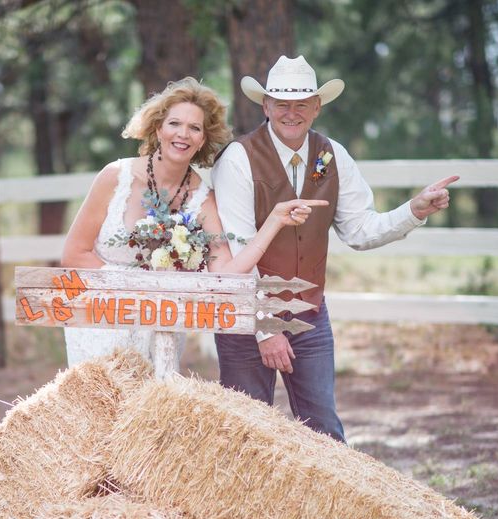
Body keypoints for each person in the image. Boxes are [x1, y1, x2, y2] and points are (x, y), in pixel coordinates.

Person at [212, 56, 458, 442]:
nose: (291, 113)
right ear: (266, 106)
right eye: (282, 103)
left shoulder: (331, 155)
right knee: (243, 432)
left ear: (316, 107)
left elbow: (360, 230)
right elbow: (239, 248)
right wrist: (267, 328)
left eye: (301, 103)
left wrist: (413, 210)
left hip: (310, 312)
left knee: (324, 432)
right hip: (246, 317)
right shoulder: (238, 158)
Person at [61, 77, 327, 367]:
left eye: (194, 128)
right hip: (103, 322)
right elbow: (74, 254)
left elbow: (227, 272)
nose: (183, 134)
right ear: (158, 128)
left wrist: (274, 221)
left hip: (161, 332)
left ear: (203, 139)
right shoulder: (115, 177)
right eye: (175, 124)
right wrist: (142, 284)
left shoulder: (201, 198)